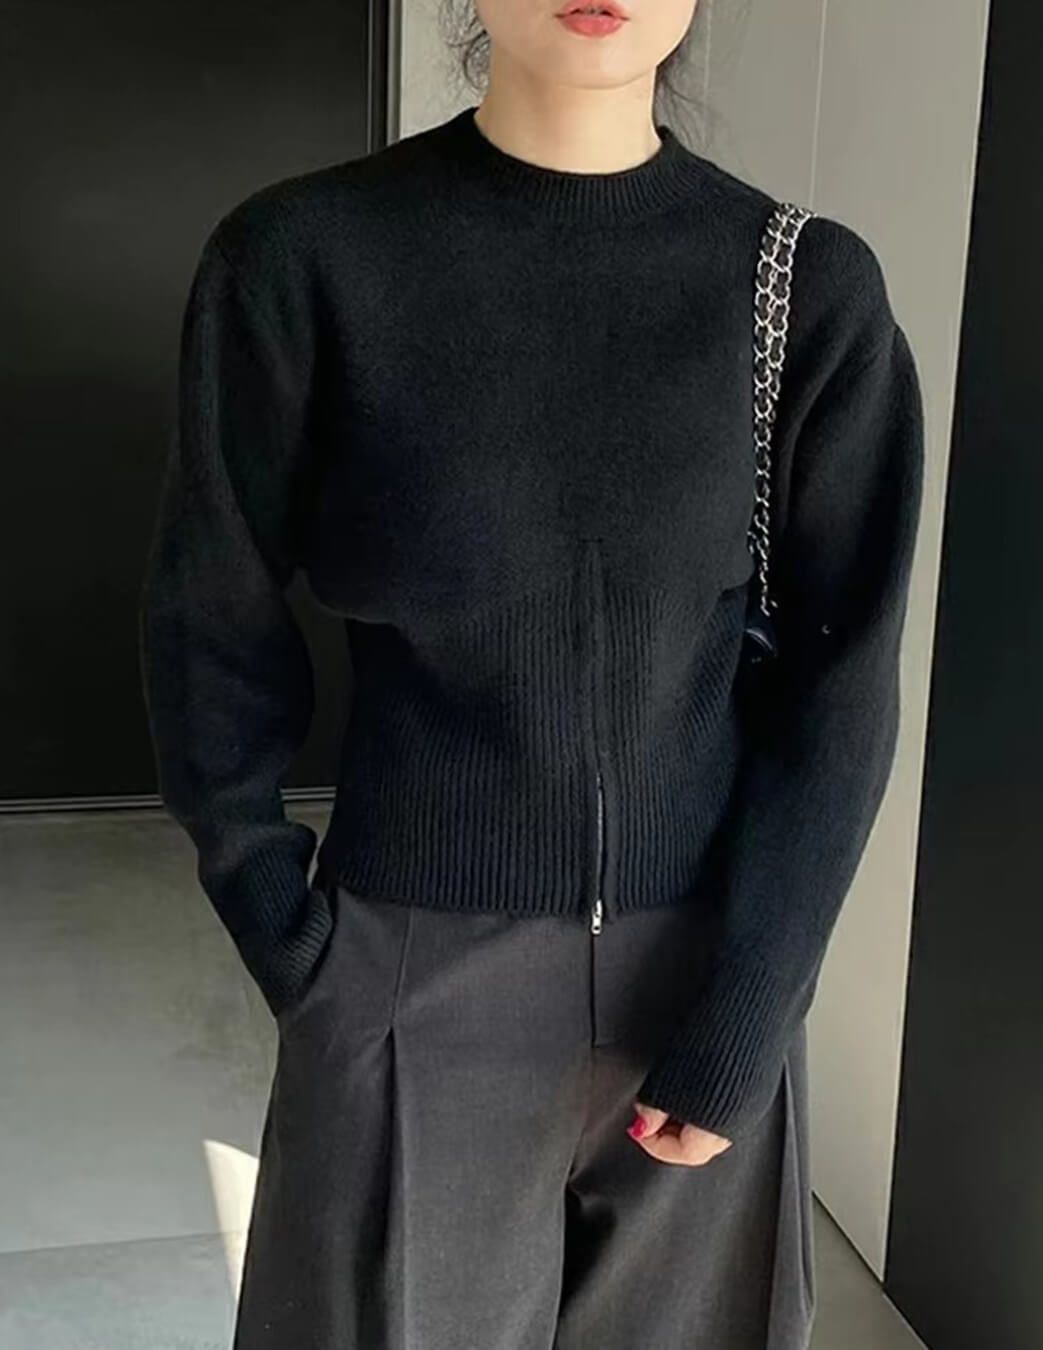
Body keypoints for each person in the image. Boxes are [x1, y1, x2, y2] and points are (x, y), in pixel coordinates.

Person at [138, 1, 925, 1346]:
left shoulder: (802, 286)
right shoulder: (306, 259)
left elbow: (839, 681)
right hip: (404, 974)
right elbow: (209, 611)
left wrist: (755, 1004)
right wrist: (288, 931)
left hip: (703, 974)